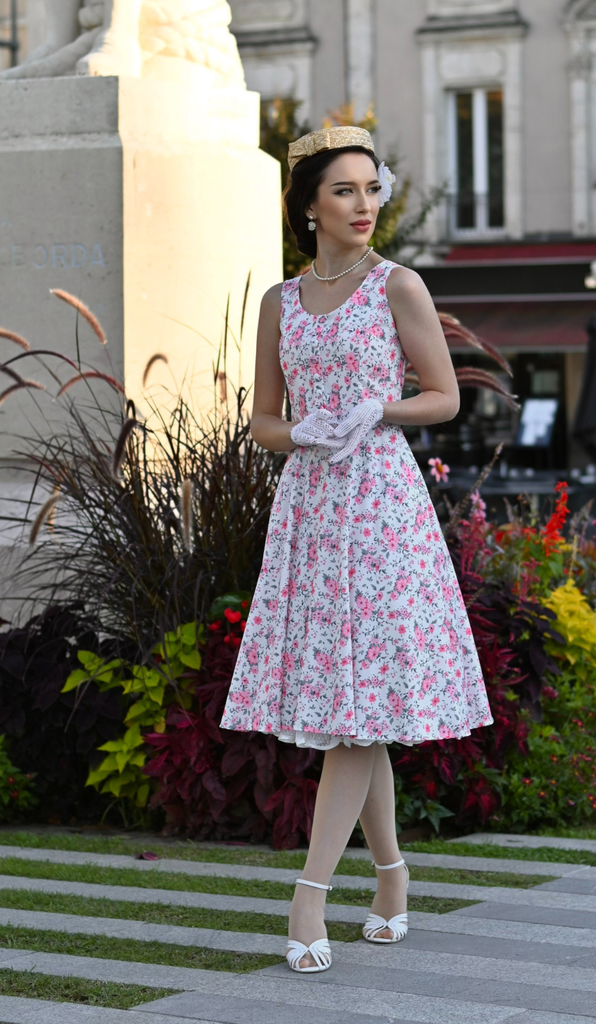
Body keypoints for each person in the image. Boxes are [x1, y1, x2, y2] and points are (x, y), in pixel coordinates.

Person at [219, 126, 492, 973]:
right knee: (354, 708)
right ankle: (392, 878)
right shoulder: (280, 301)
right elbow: (262, 420)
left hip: (379, 507)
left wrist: (379, 410)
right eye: (344, 190)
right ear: (309, 205)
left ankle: (309, 896)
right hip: (310, 506)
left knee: (354, 710)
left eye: (372, 188)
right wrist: (301, 431)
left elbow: (444, 396)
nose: (364, 204)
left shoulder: (397, 284)